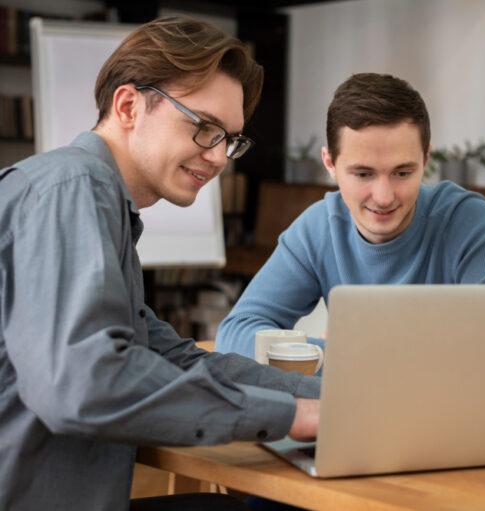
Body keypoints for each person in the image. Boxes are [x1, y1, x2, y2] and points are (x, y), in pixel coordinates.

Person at [0, 17, 320, 511]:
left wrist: (326, 394)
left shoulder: (95, 201)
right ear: (128, 106)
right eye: (204, 128)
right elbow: (86, 383)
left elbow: (175, 358)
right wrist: (293, 417)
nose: (218, 159)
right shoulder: (73, 188)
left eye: (229, 138)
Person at [216, 73, 485, 357]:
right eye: (363, 174)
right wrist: (330, 352)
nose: (384, 196)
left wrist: (355, 353)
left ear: (426, 158)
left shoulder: (469, 221)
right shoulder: (319, 229)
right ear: (330, 163)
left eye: (403, 172)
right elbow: (236, 333)